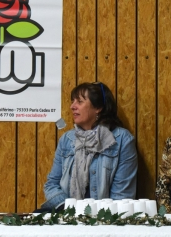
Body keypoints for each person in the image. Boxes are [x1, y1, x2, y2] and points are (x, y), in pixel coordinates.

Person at [41, 82, 138, 210]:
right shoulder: (67, 139)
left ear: (98, 108)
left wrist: (95, 219)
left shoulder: (122, 140)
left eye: (79, 102)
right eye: (72, 101)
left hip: (105, 219)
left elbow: (122, 196)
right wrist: (69, 209)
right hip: (67, 215)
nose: (72, 106)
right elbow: (52, 184)